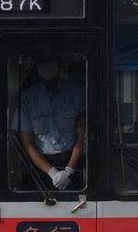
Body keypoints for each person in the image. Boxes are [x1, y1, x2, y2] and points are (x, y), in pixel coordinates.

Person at [17, 56, 86, 190]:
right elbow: (27, 142)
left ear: (59, 65)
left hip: (74, 163)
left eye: (51, 61)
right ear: (36, 67)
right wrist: (53, 173)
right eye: (42, 62)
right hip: (43, 166)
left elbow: (82, 136)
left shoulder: (77, 93)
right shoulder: (27, 98)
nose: (47, 66)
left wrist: (69, 171)